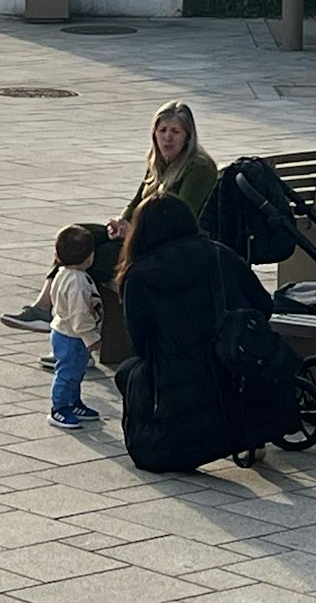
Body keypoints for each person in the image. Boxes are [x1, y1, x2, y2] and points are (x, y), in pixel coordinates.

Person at [1, 101, 218, 337]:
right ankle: (44, 307)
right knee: (76, 236)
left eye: (175, 132)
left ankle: (73, 337)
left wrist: (133, 230)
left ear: (188, 136)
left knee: (94, 259)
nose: (167, 138)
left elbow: (181, 218)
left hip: (170, 246)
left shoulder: (198, 168)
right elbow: (137, 200)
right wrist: (122, 222)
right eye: (162, 130)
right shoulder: (158, 160)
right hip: (140, 233)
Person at [115, 194, 292, 473]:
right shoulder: (218, 253)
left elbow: (139, 344)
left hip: (177, 380)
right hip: (232, 369)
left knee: (127, 372)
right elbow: (261, 304)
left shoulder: (138, 276)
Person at [47, 225, 103, 430]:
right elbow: (80, 315)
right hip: (73, 335)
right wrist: (92, 337)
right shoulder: (78, 282)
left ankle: (73, 403)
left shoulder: (62, 273)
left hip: (63, 330)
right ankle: (59, 408)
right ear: (90, 257)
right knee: (68, 373)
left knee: (75, 373)